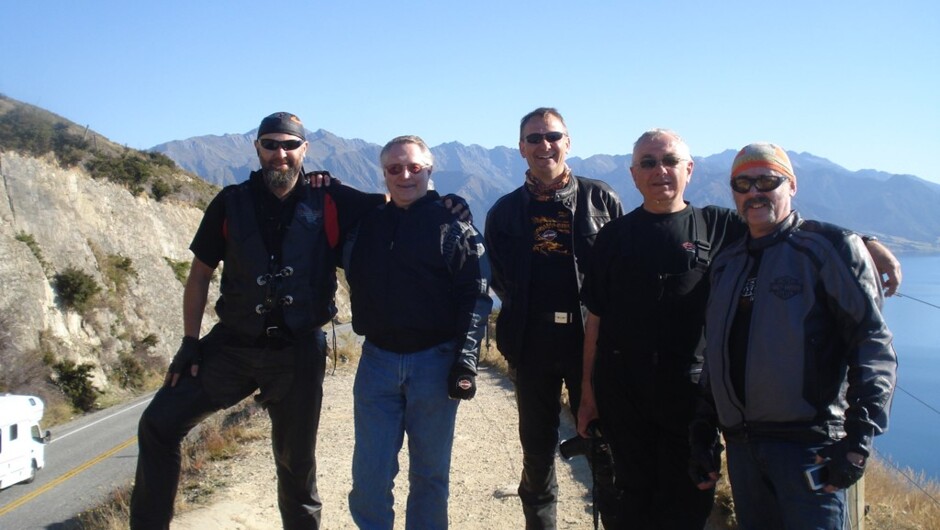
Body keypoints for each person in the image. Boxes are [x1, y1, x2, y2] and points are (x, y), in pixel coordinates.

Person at [578, 130, 902, 529]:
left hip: (768, 429)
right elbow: (598, 320)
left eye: (767, 181)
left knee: (686, 512)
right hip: (664, 413)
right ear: (633, 173)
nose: (754, 192)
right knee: (630, 506)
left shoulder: (721, 227)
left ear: (689, 169)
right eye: (648, 163)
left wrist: (867, 243)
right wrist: (589, 397)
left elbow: (868, 336)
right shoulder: (627, 239)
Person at [130, 112, 386, 530]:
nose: (280, 154)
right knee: (158, 424)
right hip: (231, 346)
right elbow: (199, 274)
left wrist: (446, 204)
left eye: (290, 145)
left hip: (299, 352)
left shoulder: (331, 199)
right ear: (257, 148)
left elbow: (398, 201)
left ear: (305, 149)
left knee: (295, 462)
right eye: (271, 144)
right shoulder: (230, 201)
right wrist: (190, 342)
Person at [692, 142, 898, 530]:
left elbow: (872, 345)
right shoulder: (726, 264)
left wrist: (857, 441)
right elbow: (714, 354)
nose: (754, 193)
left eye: (767, 181)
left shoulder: (828, 250)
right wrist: (704, 429)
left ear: (791, 185)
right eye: (742, 184)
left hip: (810, 448)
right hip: (743, 450)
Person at [343, 135, 492, 530]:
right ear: (383, 174)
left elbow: (476, 296)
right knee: (370, 478)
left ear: (430, 170)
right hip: (377, 362)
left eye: (414, 167)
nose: (405, 175)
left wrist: (466, 359)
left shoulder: (453, 225)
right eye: (394, 168)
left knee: (429, 476)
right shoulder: (368, 224)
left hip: (435, 362)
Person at [485, 107, 623, 529]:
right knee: (537, 451)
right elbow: (502, 280)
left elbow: (618, 271)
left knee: (604, 446)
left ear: (568, 142)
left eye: (553, 136)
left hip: (592, 341)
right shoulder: (505, 212)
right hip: (532, 343)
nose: (544, 145)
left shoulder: (602, 199)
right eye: (534, 138)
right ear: (521, 147)